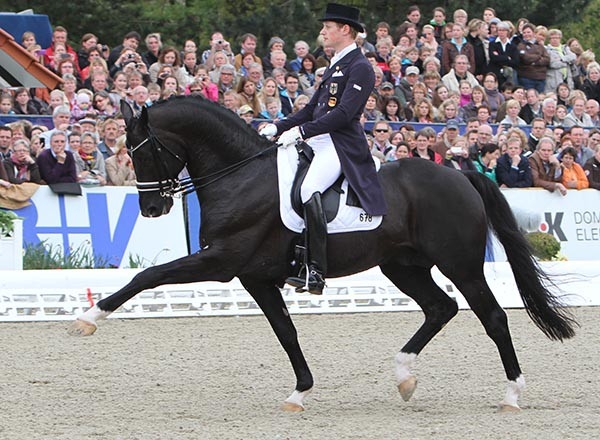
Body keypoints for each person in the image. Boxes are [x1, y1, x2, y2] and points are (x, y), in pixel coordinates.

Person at [259, 3, 387, 294]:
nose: (323, 32)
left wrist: (302, 132)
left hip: (339, 144)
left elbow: (343, 114)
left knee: (309, 189)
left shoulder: (360, 67)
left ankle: (314, 269)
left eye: (327, 27)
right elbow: (311, 110)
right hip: (317, 138)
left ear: (345, 29)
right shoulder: (336, 64)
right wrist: (279, 127)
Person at [516, 23, 550, 94]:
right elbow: (526, 58)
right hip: (526, 77)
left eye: (528, 32)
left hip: (541, 78)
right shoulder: (520, 46)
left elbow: (547, 59)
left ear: (534, 33)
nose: (526, 34)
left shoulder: (540, 45)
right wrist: (539, 56)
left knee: (540, 97)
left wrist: (535, 62)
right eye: (524, 32)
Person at [544, 29, 577, 93]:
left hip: (567, 79)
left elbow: (573, 57)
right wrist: (567, 62)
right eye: (552, 38)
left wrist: (562, 59)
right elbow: (552, 64)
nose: (555, 39)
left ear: (560, 38)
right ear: (549, 39)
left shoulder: (565, 48)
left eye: (557, 38)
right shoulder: (547, 50)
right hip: (554, 80)